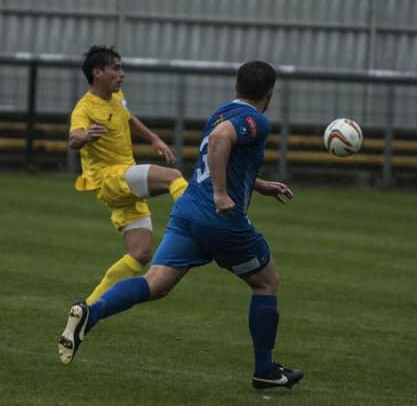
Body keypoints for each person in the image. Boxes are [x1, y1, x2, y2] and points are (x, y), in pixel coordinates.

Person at [58, 60, 304, 390]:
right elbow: (220, 142)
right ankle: (265, 371)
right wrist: (220, 194)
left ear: (236, 87)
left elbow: (220, 155)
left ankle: (92, 312)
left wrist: (258, 184)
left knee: (155, 283)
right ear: (270, 93)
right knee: (267, 283)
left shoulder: (221, 111)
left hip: (187, 213)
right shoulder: (255, 120)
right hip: (221, 220)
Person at [68, 45, 188, 306]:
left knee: (141, 254)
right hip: (109, 179)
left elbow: (128, 117)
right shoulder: (84, 108)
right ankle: (198, 218)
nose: (121, 73)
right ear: (97, 72)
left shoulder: (116, 97)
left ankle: (88, 307)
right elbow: (74, 138)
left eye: (121, 68)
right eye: (116, 68)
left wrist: (154, 138)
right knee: (173, 177)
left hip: (124, 179)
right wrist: (85, 136)